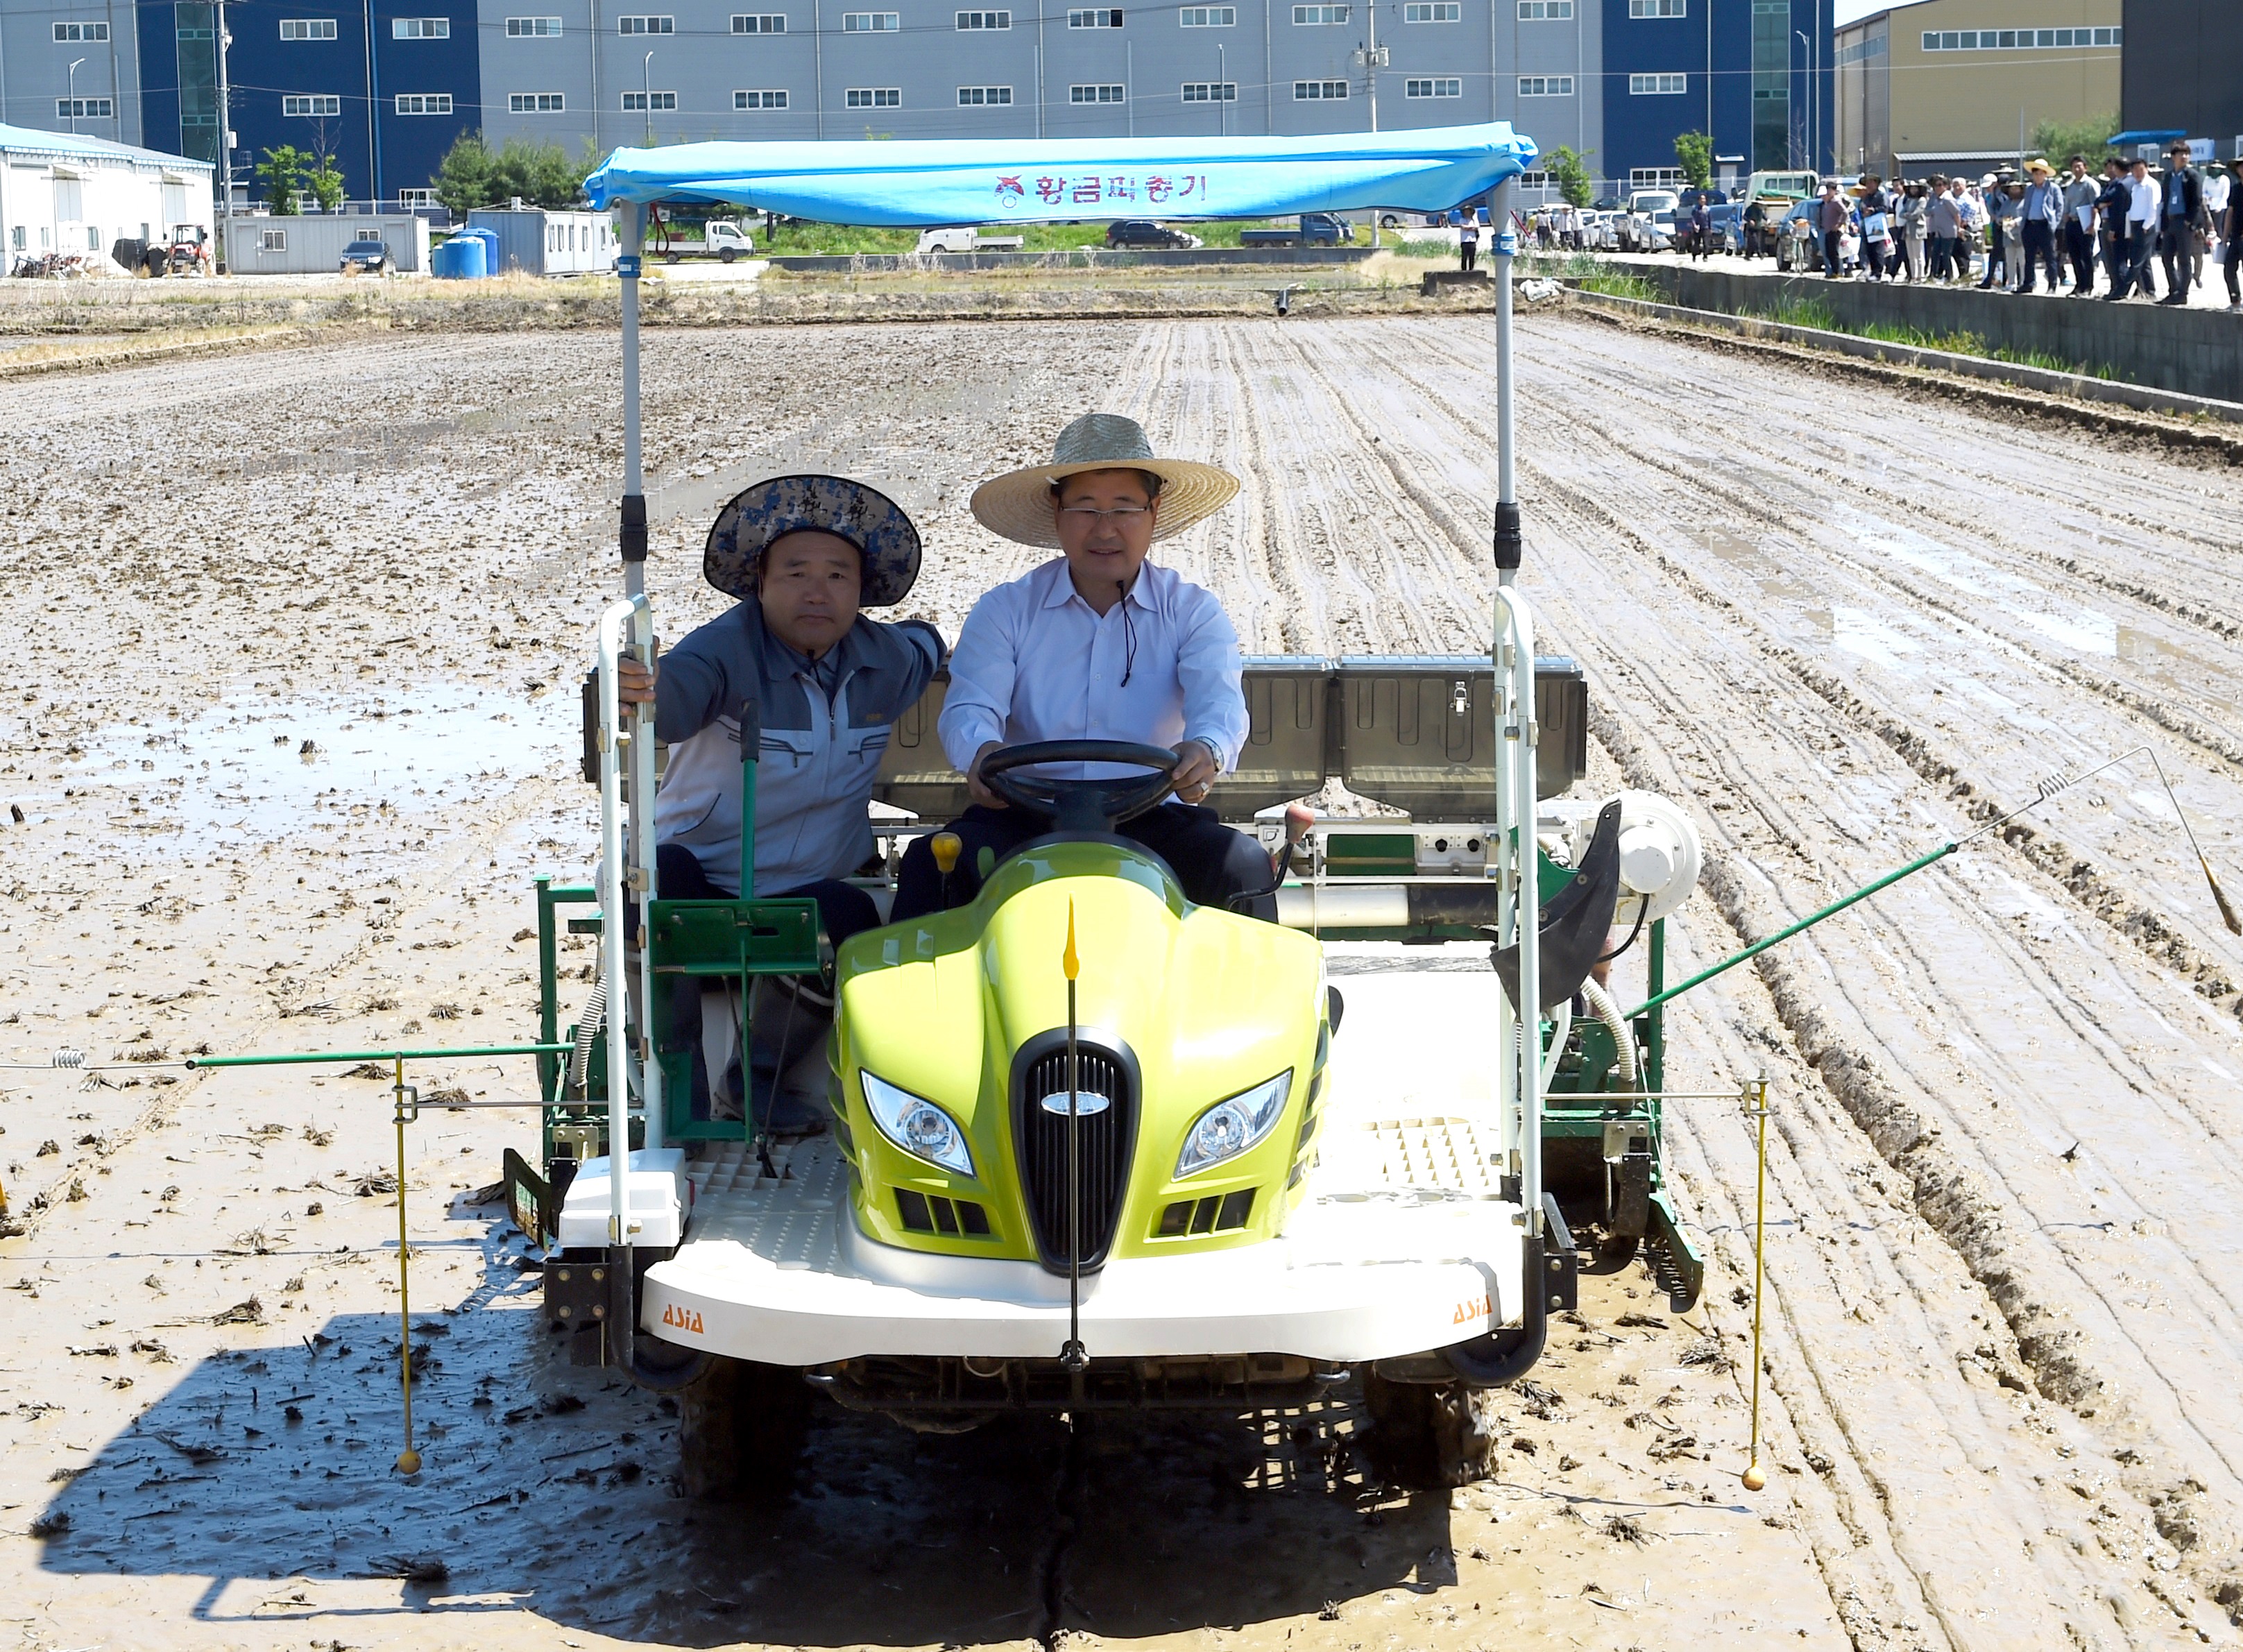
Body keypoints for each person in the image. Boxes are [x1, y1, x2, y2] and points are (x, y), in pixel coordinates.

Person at [617, 475, 946, 1116]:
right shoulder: (721, 650)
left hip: (804, 892)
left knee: (848, 912)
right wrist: (643, 682)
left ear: (862, 591)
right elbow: (676, 698)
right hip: (704, 884)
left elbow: (927, 642)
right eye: (795, 573)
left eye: (838, 575)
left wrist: (942, 645)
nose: (816, 592)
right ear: (760, 583)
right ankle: (676, 1098)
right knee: (656, 885)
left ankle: (753, 1084)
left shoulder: (889, 661)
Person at [889, 413, 1270, 923]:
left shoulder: (1191, 610)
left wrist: (1206, 750)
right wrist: (981, 753)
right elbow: (970, 707)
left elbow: (1220, 704)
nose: (1105, 529)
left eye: (1124, 509)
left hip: (1152, 815)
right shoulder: (1005, 610)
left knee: (1241, 863)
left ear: (1154, 511)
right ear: (1057, 511)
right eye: (1085, 509)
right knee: (929, 864)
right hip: (1023, 815)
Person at [2158, 142, 2208, 306]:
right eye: (2181, 154)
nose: (2184, 157)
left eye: (2187, 154)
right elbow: (2164, 201)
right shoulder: (2168, 176)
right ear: (2173, 157)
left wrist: (2189, 222)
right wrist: (2163, 225)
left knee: (2184, 259)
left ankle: (2183, 293)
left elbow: (2197, 201)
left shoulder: (2192, 175)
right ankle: (2173, 289)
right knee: (2166, 258)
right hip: (2170, 220)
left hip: (2183, 221)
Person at [2113, 155, 2163, 300]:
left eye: (2140, 169)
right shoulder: (2136, 185)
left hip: (2145, 226)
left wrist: (2147, 225)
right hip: (2135, 224)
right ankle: (2150, 290)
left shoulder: (2151, 185)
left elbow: (2153, 208)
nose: (2138, 172)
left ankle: (2123, 290)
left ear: (2146, 169)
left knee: (2136, 261)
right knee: (2144, 261)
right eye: (2135, 170)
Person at [2018, 159, 2063, 293]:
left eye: (2040, 174)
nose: (2038, 176)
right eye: (2036, 174)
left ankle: (2052, 285)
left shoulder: (2053, 188)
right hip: (2030, 225)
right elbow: (2026, 206)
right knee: (2029, 257)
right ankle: (2029, 283)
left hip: (2045, 225)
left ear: (2045, 174)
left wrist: (2054, 225)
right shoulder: (2030, 189)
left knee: (2050, 257)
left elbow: (2059, 207)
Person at [2094, 156, 2133, 298]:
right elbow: (2098, 202)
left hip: (2116, 224)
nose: (2110, 170)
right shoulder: (2110, 184)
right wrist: (2104, 203)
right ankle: (2114, 287)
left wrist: (2106, 203)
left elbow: (2111, 203)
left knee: (2118, 258)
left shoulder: (2121, 184)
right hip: (2108, 222)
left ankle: (2120, 288)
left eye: (2113, 167)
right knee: (2109, 259)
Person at [1857, 174, 1893, 280]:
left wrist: (1873, 210)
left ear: (1877, 184)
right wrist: (1864, 211)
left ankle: (1878, 273)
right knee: (1869, 250)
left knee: (1878, 249)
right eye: (1867, 183)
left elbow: (1885, 208)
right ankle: (1872, 271)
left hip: (1878, 226)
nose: (1869, 185)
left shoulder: (1882, 195)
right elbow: (1861, 208)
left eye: (1871, 183)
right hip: (1867, 225)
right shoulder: (1866, 197)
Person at [1816, 179, 1848, 278]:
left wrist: (1839, 224)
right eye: (1828, 190)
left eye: (1830, 190)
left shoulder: (1836, 201)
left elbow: (1845, 212)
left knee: (1834, 252)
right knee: (1829, 252)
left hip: (1834, 231)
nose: (1829, 192)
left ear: (1834, 191)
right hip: (1827, 230)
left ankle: (1837, 272)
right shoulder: (1828, 202)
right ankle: (1833, 272)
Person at [1457, 207, 1480, 273]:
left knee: (1472, 257)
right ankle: (1463, 271)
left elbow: (1477, 227)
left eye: (1468, 211)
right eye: (1465, 211)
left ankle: (1471, 270)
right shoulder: (1462, 220)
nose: (1467, 213)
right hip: (1464, 240)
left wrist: (1469, 228)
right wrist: (1471, 228)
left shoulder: (1474, 220)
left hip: (1472, 240)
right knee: (1464, 256)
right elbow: (1463, 227)